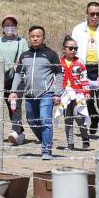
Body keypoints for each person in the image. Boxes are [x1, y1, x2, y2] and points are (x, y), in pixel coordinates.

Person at [12, 25, 63, 160]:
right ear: (29, 38)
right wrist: (13, 91)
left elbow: (59, 74)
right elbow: (18, 74)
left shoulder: (51, 55)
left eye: (38, 36)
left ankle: (46, 150)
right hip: (29, 94)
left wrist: (58, 93)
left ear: (43, 38)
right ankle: (45, 140)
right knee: (31, 120)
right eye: (32, 36)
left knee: (45, 120)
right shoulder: (24, 55)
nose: (35, 39)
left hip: (46, 93)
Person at [69, 1, 99, 129]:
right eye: (92, 14)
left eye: (98, 14)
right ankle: (94, 117)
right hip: (84, 67)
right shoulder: (78, 29)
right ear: (87, 14)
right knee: (87, 97)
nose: (95, 17)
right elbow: (72, 49)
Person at [0, 15, 29, 146]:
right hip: (2, 79)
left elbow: (26, 58)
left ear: (16, 27)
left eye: (12, 25)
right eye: (7, 25)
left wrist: (19, 64)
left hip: (18, 77)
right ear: (2, 28)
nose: (9, 27)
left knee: (15, 103)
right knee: (9, 105)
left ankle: (15, 132)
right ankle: (19, 132)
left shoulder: (22, 41)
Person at [58, 36, 93, 150]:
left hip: (78, 93)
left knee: (79, 116)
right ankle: (70, 143)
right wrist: (56, 93)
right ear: (64, 49)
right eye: (71, 48)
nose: (73, 50)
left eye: (75, 48)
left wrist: (86, 92)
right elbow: (56, 79)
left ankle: (85, 137)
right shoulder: (59, 63)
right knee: (67, 118)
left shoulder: (80, 62)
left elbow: (84, 78)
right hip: (64, 94)